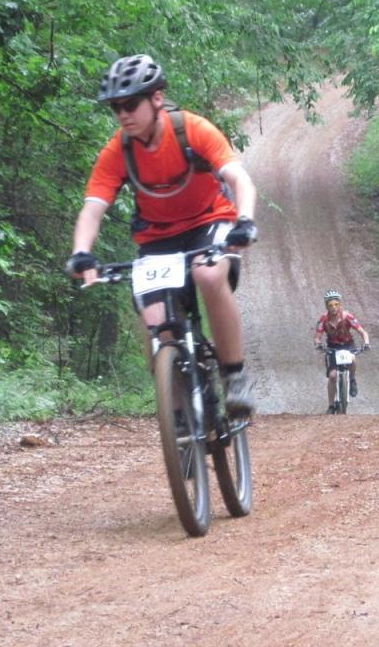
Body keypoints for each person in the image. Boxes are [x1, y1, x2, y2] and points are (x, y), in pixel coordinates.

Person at [66, 54, 259, 417]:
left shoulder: (193, 129)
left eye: (130, 104)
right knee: (156, 325)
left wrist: (245, 221)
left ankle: (235, 375)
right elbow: (93, 207)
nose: (123, 114)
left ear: (156, 98)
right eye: (116, 108)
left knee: (207, 273)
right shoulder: (118, 150)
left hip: (210, 220)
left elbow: (238, 179)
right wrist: (81, 252)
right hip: (157, 238)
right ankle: (180, 414)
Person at [313, 289, 370, 413]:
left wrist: (366, 342)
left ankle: (352, 379)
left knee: (353, 360)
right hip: (332, 347)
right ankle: (331, 405)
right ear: (326, 306)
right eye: (330, 305)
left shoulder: (348, 317)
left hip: (348, 345)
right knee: (332, 376)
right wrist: (318, 343)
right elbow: (317, 336)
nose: (333, 308)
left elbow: (362, 331)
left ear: (340, 304)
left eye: (336, 304)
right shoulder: (323, 319)